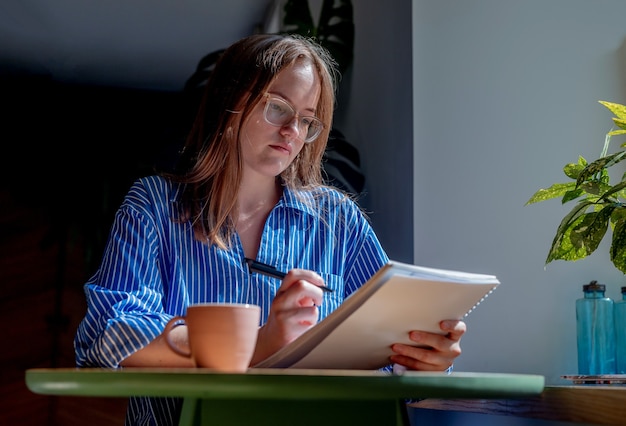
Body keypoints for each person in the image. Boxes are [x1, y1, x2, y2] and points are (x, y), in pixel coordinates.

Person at [74, 33, 466, 425]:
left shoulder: (338, 221)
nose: (293, 130)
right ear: (229, 103)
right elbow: (112, 335)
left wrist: (423, 361)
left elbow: (390, 364)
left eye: (307, 120)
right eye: (278, 108)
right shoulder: (155, 207)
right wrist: (258, 344)